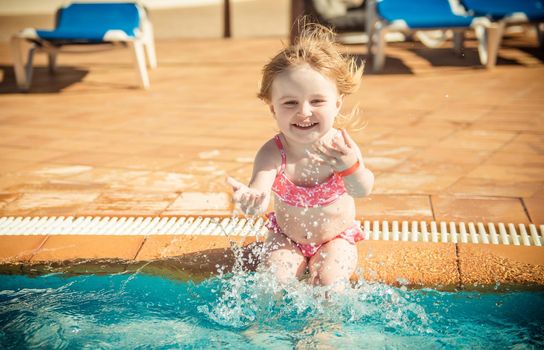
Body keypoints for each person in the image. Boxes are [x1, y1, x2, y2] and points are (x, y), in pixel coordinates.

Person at [227, 22, 374, 292]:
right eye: (290, 103)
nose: (304, 112)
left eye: (317, 101)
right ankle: (262, 332)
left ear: (337, 103)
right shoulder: (272, 153)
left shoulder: (342, 148)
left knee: (330, 282)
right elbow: (259, 198)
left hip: (336, 238)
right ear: (273, 109)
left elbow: (363, 189)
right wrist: (250, 203)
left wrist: (349, 166)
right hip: (286, 238)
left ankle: (323, 334)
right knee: (275, 281)